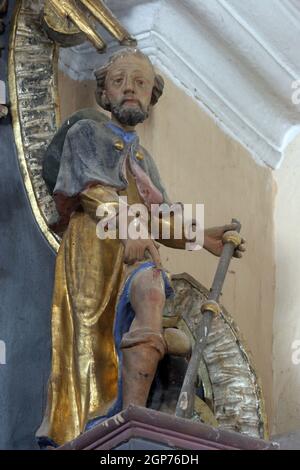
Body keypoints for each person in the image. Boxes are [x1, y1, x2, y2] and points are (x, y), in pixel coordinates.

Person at [36, 48, 245, 447]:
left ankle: (134, 419)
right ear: (104, 92)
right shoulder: (87, 133)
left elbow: (158, 215)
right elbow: (90, 190)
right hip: (94, 250)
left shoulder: (142, 160)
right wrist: (129, 222)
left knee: (152, 287)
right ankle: (97, 423)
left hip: (136, 249)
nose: (130, 89)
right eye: (119, 81)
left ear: (151, 95)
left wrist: (202, 236)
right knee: (90, 347)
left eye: (140, 82)